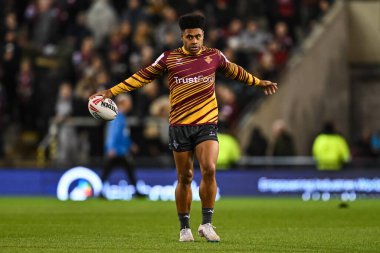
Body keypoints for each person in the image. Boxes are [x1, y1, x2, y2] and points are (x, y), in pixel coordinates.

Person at [91, 13, 278, 242]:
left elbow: (236, 71)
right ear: (182, 36)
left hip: (206, 123)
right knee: (185, 177)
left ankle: (207, 224)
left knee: (209, 168)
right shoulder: (169, 58)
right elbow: (142, 76)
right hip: (179, 125)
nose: (194, 41)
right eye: (189, 37)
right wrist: (112, 92)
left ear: (203, 36)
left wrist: (259, 82)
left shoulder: (214, 56)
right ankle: (184, 227)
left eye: (198, 36)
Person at [101, 94, 143, 197]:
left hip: (121, 150)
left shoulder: (120, 116)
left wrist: (130, 144)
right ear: (123, 103)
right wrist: (111, 148)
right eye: (129, 102)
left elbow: (123, 135)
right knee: (112, 170)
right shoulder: (117, 117)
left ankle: (100, 191)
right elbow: (113, 134)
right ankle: (100, 190)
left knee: (125, 169)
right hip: (117, 151)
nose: (131, 104)